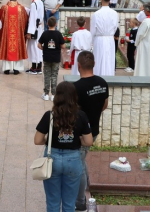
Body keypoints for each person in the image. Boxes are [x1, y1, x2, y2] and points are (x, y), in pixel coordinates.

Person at [34, 82, 93, 212]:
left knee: (53, 202)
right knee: (69, 204)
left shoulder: (49, 115)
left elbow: (37, 140)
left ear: (57, 97)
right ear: (74, 97)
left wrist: (48, 140)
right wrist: (77, 140)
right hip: (73, 159)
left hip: (52, 159)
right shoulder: (81, 115)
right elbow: (88, 141)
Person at [73, 51, 109, 211]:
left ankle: (80, 203)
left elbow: (72, 112)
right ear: (94, 64)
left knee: (78, 165)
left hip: (81, 134)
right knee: (82, 157)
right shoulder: (102, 83)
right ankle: (87, 185)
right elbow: (104, 105)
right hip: (94, 129)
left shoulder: (76, 88)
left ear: (78, 65)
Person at [0, 0, 28, 74]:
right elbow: (25, 20)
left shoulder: (4, 8)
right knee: (17, 46)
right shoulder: (21, 8)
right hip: (17, 33)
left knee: (7, 45)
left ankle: (7, 68)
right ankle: (16, 69)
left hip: (7, 34)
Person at [90, 0, 119, 76]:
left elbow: (93, 30)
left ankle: (98, 76)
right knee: (109, 59)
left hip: (99, 39)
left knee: (99, 59)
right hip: (109, 38)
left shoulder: (96, 14)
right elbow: (115, 27)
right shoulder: (114, 13)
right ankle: (109, 75)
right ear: (110, 0)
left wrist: (91, 42)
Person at [38, 16, 65, 101]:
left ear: (47, 24)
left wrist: (44, 49)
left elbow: (39, 45)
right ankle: (53, 94)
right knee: (54, 75)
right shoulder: (58, 34)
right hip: (56, 57)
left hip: (46, 57)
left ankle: (46, 94)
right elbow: (63, 46)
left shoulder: (45, 33)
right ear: (56, 24)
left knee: (46, 75)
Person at [26, 0, 45, 75]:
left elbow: (33, 19)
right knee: (38, 48)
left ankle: (35, 67)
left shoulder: (34, 4)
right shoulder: (40, 2)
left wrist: (30, 32)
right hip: (40, 27)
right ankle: (38, 66)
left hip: (35, 29)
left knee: (33, 48)